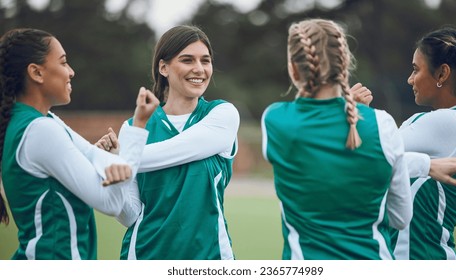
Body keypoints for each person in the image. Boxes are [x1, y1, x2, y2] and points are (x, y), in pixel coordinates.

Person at [260, 18, 413, 260]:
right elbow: (400, 218)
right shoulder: (383, 124)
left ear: (294, 68)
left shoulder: (275, 121)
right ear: (344, 66)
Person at [0, 28, 159, 259]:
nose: (71, 72)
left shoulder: (41, 120)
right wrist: (139, 125)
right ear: (36, 72)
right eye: (63, 62)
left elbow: (94, 157)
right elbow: (111, 201)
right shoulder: (40, 130)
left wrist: (112, 160)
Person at [97, 25, 240, 260]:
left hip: (210, 258)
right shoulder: (133, 128)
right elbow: (130, 215)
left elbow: (178, 150)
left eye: (205, 61)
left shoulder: (222, 115)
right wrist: (116, 166)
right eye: (187, 60)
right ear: (163, 67)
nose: (199, 69)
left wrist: (115, 158)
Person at [387, 27, 456, 260]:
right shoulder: (452, 122)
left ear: (442, 74)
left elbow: (371, 152)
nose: (409, 79)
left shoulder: (450, 122)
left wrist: (352, 111)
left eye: (415, 69)